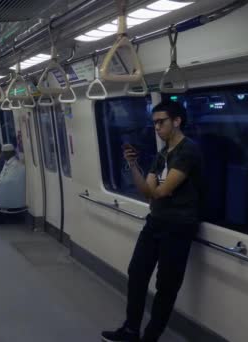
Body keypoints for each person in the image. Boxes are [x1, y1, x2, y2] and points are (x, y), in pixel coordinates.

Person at [101, 101, 204, 342]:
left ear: (177, 121)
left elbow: (161, 192)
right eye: (155, 122)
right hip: (156, 222)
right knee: (136, 272)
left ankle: (150, 337)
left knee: (166, 286)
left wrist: (153, 188)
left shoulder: (187, 151)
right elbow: (147, 191)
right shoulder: (162, 153)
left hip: (178, 226)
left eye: (161, 122)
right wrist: (133, 164)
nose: (157, 127)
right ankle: (131, 330)